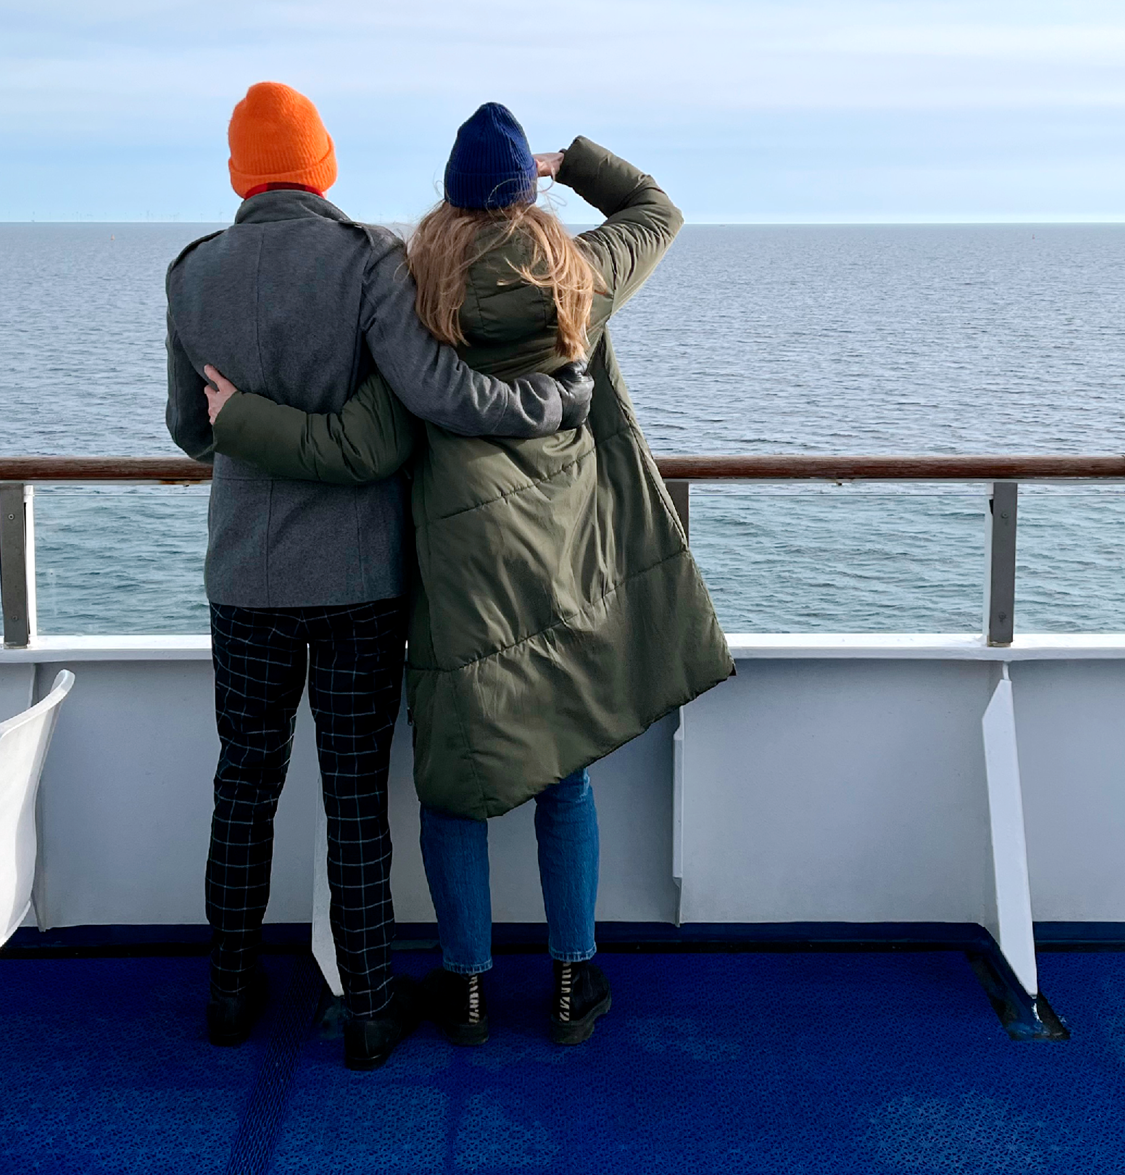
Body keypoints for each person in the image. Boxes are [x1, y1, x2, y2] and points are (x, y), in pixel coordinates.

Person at [205, 102, 733, 1047]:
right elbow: (658, 210)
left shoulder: (418, 287)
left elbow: (366, 434)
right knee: (563, 775)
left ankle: (467, 991)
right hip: (566, 559)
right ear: (529, 193)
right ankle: (573, 985)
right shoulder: (582, 277)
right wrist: (573, 161)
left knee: (457, 780)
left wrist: (240, 416)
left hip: (456, 569)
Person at [165, 84, 593, 1072]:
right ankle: (368, 1010)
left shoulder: (193, 275)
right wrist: (552, 403)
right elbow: (435, 393)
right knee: (355, 796)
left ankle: (229, 994)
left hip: (244, 578)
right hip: (359, 579)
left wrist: (248, 414)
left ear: (241, 170)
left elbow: (194, 431)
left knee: (245, 787)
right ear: (324, 166)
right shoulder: (366, 262)